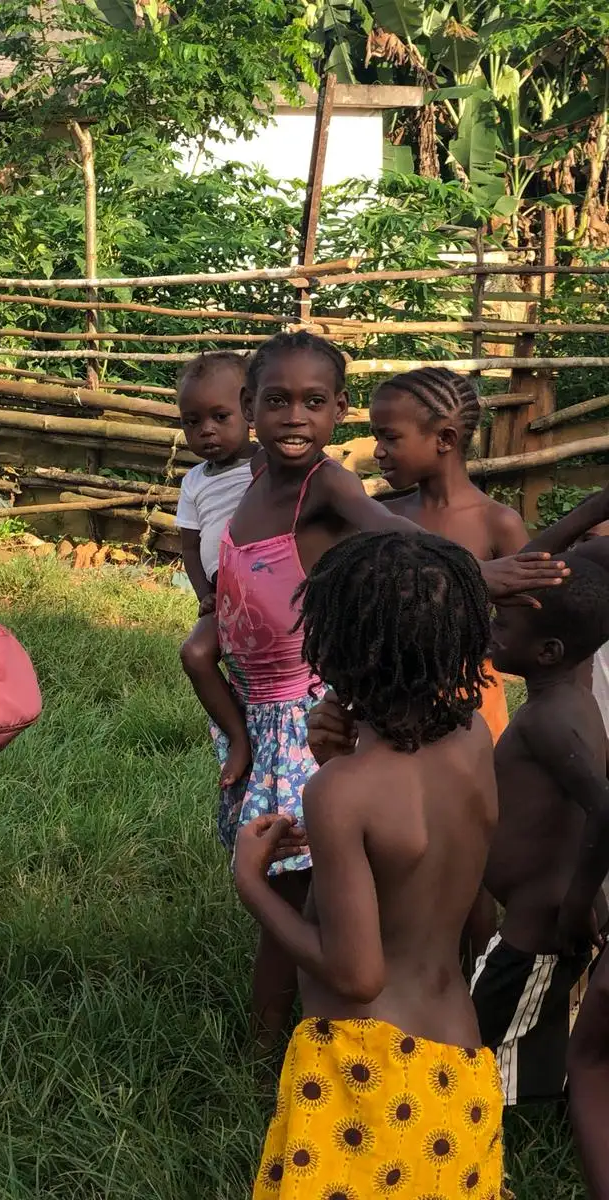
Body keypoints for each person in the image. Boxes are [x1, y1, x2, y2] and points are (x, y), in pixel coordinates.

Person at [218, 331, 566, 1053]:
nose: (294, 417)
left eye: (314, 402)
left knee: (304, 889)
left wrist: (473, 578)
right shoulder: (259, 476)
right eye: (277, 401)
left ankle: (262, 1050)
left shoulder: (331, 488)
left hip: (366, 1079)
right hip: (456, 1064)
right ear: (250, 406)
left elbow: (405, 554)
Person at [239, 530, 504, 1200]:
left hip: (363, 1072)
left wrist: (251, 882)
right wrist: (340, 758)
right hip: (463, 1067)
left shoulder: (342, 793)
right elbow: (427, 863)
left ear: (332, 651)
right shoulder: (475, 738)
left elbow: (357, 975)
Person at [464, 552, 609, 1109]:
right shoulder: (569, 703)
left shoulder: (551, 720)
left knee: (469, 1047)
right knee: (541, 1026)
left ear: (548, 651)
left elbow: (605, 807)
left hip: (539, 928)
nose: (490, 632)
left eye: (502, 625)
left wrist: (575, 904)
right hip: (546, 916)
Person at [369, 366, 528, 742]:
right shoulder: (382, 517)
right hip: (390, 699)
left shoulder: (497, 522)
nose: (377, 451)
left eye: (390, 437)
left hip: (471, 703)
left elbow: (525, 624)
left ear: (445, 439)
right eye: (376, 437)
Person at [173, 351, 258, 789]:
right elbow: (190, 546)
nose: (206, 430)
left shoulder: (267, 465)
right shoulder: (194, 481)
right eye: (192, 421)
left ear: (249, 410)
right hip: (223, 596)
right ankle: (237, 736)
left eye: (220, 417)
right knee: (195, 654)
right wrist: (203, 593)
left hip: (269, 591)